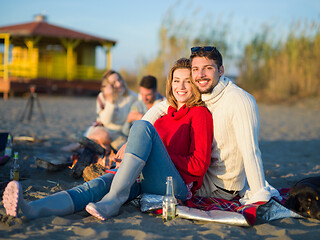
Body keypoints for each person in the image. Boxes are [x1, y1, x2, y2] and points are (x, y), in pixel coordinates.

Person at [2, 58, 213, 221]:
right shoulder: (163, 117)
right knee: (95, 186)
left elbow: (198, 166)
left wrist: (152, 157)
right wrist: (133, 159)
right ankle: (31, 209)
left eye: (187, 81)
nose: (181, 86)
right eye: (176, 80)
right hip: (146, 180)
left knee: (141, 125)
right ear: (170, 83)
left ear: (195, 85)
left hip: (175, 187)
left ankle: (113, 201)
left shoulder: (200, 113)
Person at [120, 46, 280, 205]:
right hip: (198, 178)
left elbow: (251, 150)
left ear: (221, 70)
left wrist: (259, 193)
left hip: (219, 187)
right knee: (128, 175)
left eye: (208, 68)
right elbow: (163, 106)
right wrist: (131, 142)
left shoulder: (239, 100)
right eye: (196, 69)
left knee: (139, 174)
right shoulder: (203, 91)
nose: (201, 75)